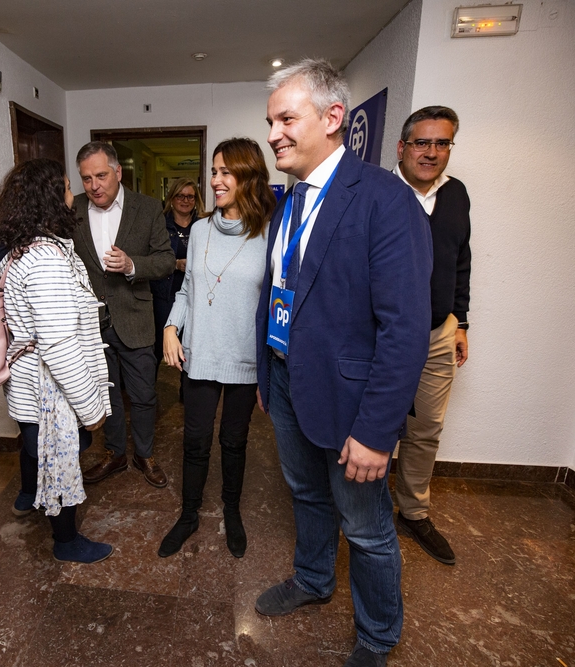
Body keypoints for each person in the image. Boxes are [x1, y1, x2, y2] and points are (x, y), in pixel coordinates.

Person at [253, 60, 432, 667]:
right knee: (306, 494)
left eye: (286, 118)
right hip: (285, 381)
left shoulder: (383, 199)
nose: (273, 132)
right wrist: (265, 373)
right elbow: (279, 292)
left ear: (334, 119)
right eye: (270, 121)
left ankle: (378, 636)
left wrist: (377, 431)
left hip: (349, 399)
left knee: (366, 526)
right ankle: (312, 579)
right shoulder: (289, 201)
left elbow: (405, 329)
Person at [0, 158, 114, 564]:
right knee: (63, 450)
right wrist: (91, 409)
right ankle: (66, 540)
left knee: (36, 442)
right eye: (67, 188)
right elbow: (58, 346)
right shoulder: (46, 260)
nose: (72, 195)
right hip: (48, 385)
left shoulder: (16, 250)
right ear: (51, 199)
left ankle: (29, 495)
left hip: (28, 379)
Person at [157, 138, 275, 559]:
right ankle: (189, 515)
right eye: (214, 170)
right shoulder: (201, 228)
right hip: (201, 352)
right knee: (195, 440)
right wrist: (171, 326)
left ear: (249, 177)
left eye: (226, 172)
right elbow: (188, 289)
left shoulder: (269, 232)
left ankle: (231, 510)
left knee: (235, 440)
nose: (216, 180)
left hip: (244, 356)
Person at [70, 142, 176, 488]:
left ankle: (144, 454)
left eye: (101, 175)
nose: (94, 185)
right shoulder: (73, 210)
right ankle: (114, 454)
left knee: (144, 393)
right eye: (86, 178)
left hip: (135, 318)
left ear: (117, 172)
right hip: (90, 324)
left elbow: (164, 261)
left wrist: (132, 264)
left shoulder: (146, 208)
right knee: (106, 393)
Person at [392, 106, 471, 566]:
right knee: (373, 424)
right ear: (402, 147)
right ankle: (360, 508)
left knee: (425, 430)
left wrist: (459, 322)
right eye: (422, 142)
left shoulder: (457, 195)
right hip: (382, 334)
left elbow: (462, 260)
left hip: (438, 333)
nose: (432, 152)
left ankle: (414, 512)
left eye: (443, 143)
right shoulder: (376, 193)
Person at [150, 177, 204, 374]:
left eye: (190, 196)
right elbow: (151, 260)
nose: (185, 200)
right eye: (180, 195)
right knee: (159, 344)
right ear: (171, 198)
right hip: (165, 293)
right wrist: (175, 264)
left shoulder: (204, 226)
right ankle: (149, 394)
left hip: (194, 294)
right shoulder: (159, 226)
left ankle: (187, 391)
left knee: (190, 344)